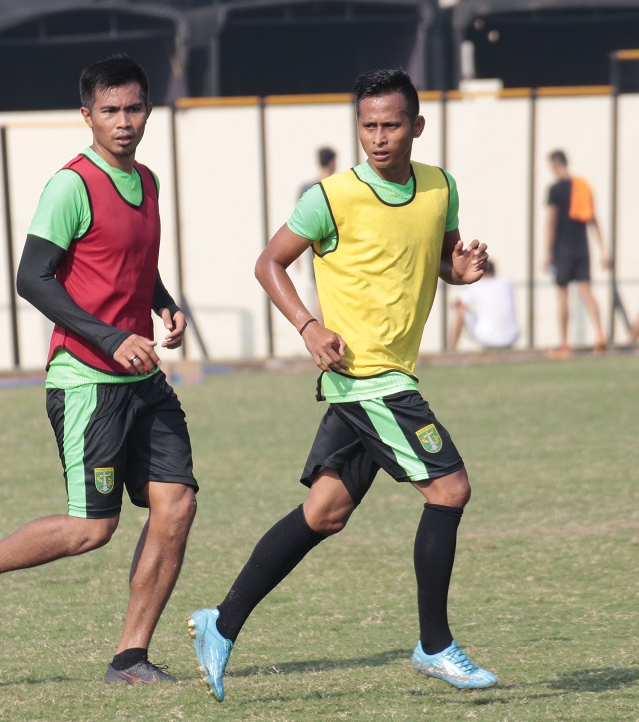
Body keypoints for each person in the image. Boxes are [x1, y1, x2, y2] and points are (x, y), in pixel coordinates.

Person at [187, 67, 497, 702]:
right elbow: (268, 262)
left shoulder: (440, 188)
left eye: (390, 125)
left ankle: (221, 622)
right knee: (450, 488)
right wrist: (307, 326)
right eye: (367, 126)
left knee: (324, 514)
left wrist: (458, 271)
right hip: (367, 378)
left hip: (390, 376)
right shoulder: (329, 196)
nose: (378, 138)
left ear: (417, 126)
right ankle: (435, 645)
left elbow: (433, 255)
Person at [0, 54, 198, 686]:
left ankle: (130, 656)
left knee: (176, 505)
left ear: (148, 110)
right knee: (91, 529)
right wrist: (109, 336)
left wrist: (165, 306)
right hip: (87, 380)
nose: (123, 122)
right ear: (87, 115)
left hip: (143, 380)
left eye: (133, 109)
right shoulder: (71, 184)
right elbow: (32, 278)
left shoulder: (148, 181)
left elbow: (129, 263)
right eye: (109, 111)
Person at [543, 150, 609, 356]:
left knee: (563, 295)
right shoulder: (582, 186)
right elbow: (593, 219)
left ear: (554, 165)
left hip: (562, 248)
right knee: (586, 292)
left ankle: (564, 343)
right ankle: (600, 334)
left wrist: (547, 253)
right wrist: (603, 250)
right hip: (582, 247)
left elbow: (552, 222)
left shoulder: (555, 189)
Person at [296, 147, 338, 321]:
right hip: (337, 243)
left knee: (318, 288)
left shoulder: (307, 187)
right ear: (332, 162)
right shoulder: (337, 185)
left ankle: (323, 327)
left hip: (312, 245)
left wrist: (296, 256)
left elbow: (297, 222)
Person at [451, 259, 519, 350]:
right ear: (494, 271)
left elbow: (458, 303)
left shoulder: (476, 285)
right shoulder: (506, 283)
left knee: (461, 309)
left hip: (487, 337)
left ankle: (451, 350)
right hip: (511, 336)